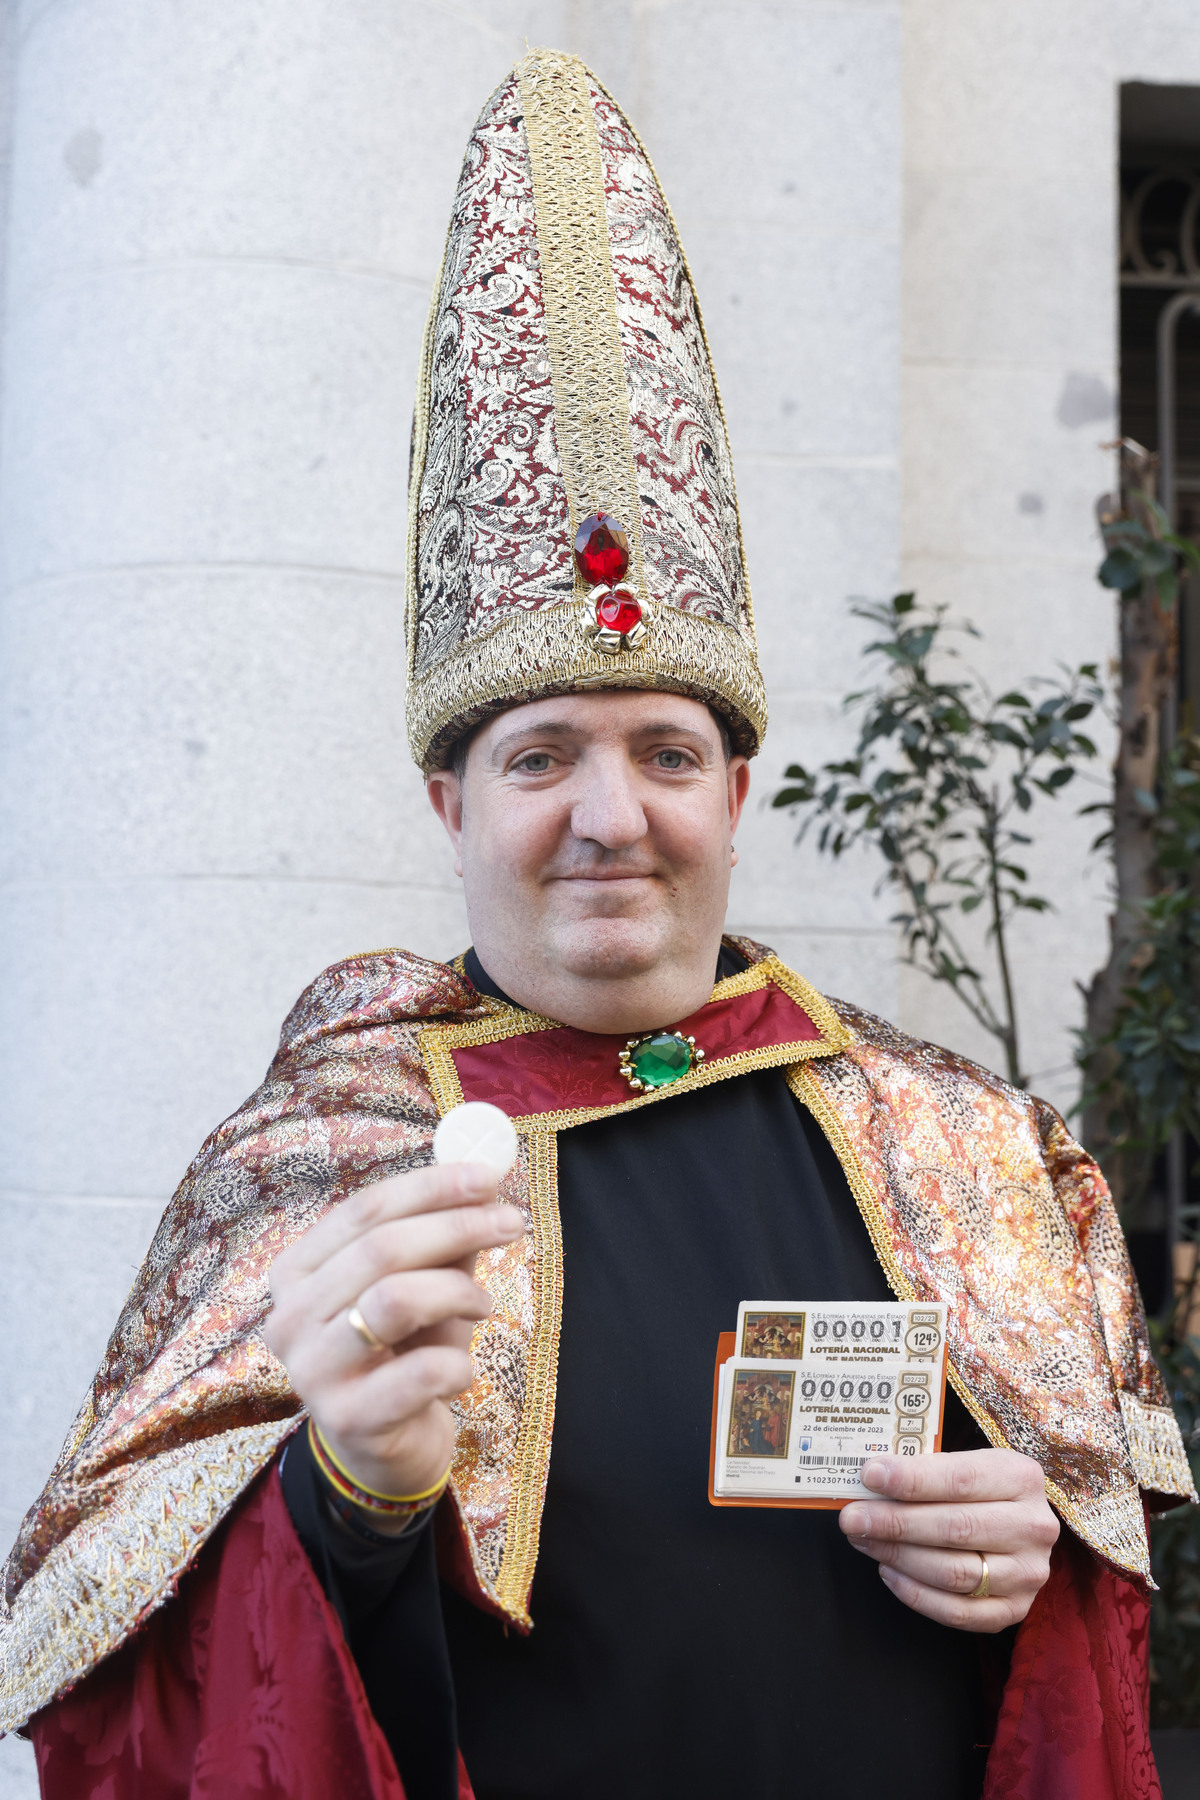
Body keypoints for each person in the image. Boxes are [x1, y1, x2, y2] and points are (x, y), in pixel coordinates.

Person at [1, 46, 1193, 1800]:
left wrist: (1034, 1566)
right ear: (451, 804)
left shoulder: (967, 1150)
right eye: (541, 754)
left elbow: (1082, 1664)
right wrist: (347, 1491)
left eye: (666, 751)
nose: (609, 816)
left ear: (736, 791)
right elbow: (140, 1700)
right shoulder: (329, 1161)